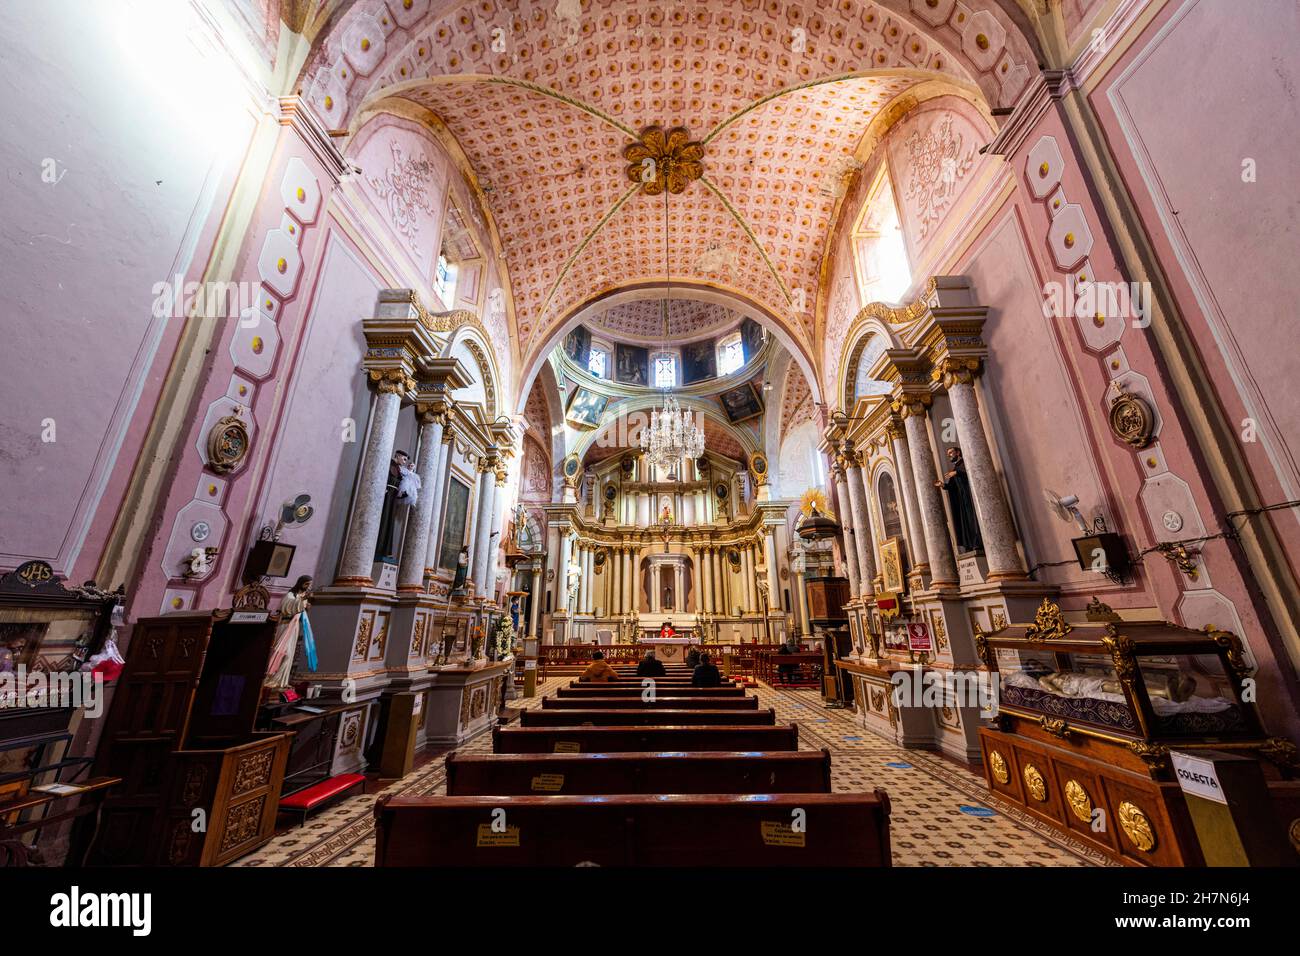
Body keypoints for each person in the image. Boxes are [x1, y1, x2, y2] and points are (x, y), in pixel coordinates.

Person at [265, 576, 316, 691]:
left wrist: (306, 607)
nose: (308, 587)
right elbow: (287, 608)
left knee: (290, 655)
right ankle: (271, 680)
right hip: (285, 626)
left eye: (309, 584)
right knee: (283, 653)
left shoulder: (301, 597)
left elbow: (301, 611)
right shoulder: (290, 595)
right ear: (300, 583)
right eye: (306, 584)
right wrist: (302, 601)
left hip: (294, 627)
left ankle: (281, 682)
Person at [935, 446, 983, 554]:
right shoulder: (955, 467)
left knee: (973, 519)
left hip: (970, 497)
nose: (949, 455)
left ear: (958, 452)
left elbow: (970, 472)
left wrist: (957, 473)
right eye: (948, 454)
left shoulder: (964, 463)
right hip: (962, 500)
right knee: (965, 521)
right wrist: (943, 485)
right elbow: (953, 486)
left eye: (951, 452)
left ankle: (978, 542)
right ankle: (970, 543)